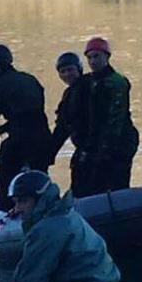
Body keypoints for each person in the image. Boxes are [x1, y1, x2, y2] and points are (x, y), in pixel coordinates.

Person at [0, 44, 53, 211]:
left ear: (0, 64)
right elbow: (30, 113)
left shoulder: (0, 84)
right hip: (42, 139)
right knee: (39, 178)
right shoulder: (30, 79)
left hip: (19, 142)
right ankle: (45, 209)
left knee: (4, 181)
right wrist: (5, 128)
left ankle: (9, 213)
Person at [83, 37, 140, 194]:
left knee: (117, 184)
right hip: (100, 143)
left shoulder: (116, 82)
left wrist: (105, 147)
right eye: (89, 57)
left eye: (96, 56)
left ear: (107, 57)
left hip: (120, 142)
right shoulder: (90, 82)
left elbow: (116, 118)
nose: (93, 61)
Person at [48, 52, 93, 197]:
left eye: (70, 70)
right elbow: (62, 126)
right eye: (63, 71)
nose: (67, 74)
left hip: (95, 148)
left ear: (79, 69)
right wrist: (49, 153)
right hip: (83, 148)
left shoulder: (91, 86)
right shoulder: (69, 94)